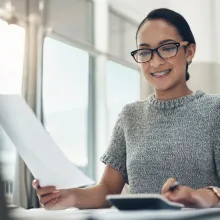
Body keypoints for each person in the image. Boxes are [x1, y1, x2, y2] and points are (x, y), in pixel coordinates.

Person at [33, 8, 220, 209]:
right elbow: (106, 190)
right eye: (145, 52)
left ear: (189, 51)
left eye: (167, 48)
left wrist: (202, 197)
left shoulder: (214, 110)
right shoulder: (130, 116)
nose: (155, 62)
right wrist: (68, 196)